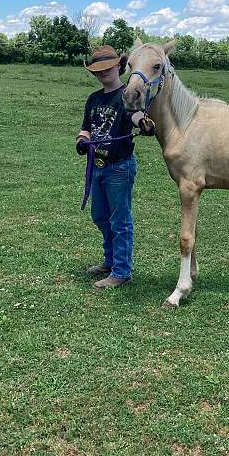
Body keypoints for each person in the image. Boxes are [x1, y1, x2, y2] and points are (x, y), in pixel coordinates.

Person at [76, 45, 154, 289]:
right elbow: (86, 126)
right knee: (100, 216)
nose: (103, 73)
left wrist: (144, 123)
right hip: (97, 165)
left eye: (107, 68)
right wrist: (82, 139)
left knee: (119, 220)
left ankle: (121, 271)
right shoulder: (94, 98)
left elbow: (135, 116)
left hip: (119, 168)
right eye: (98, 70)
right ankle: (110, 262)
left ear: (117, 66)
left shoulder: (126, 95)